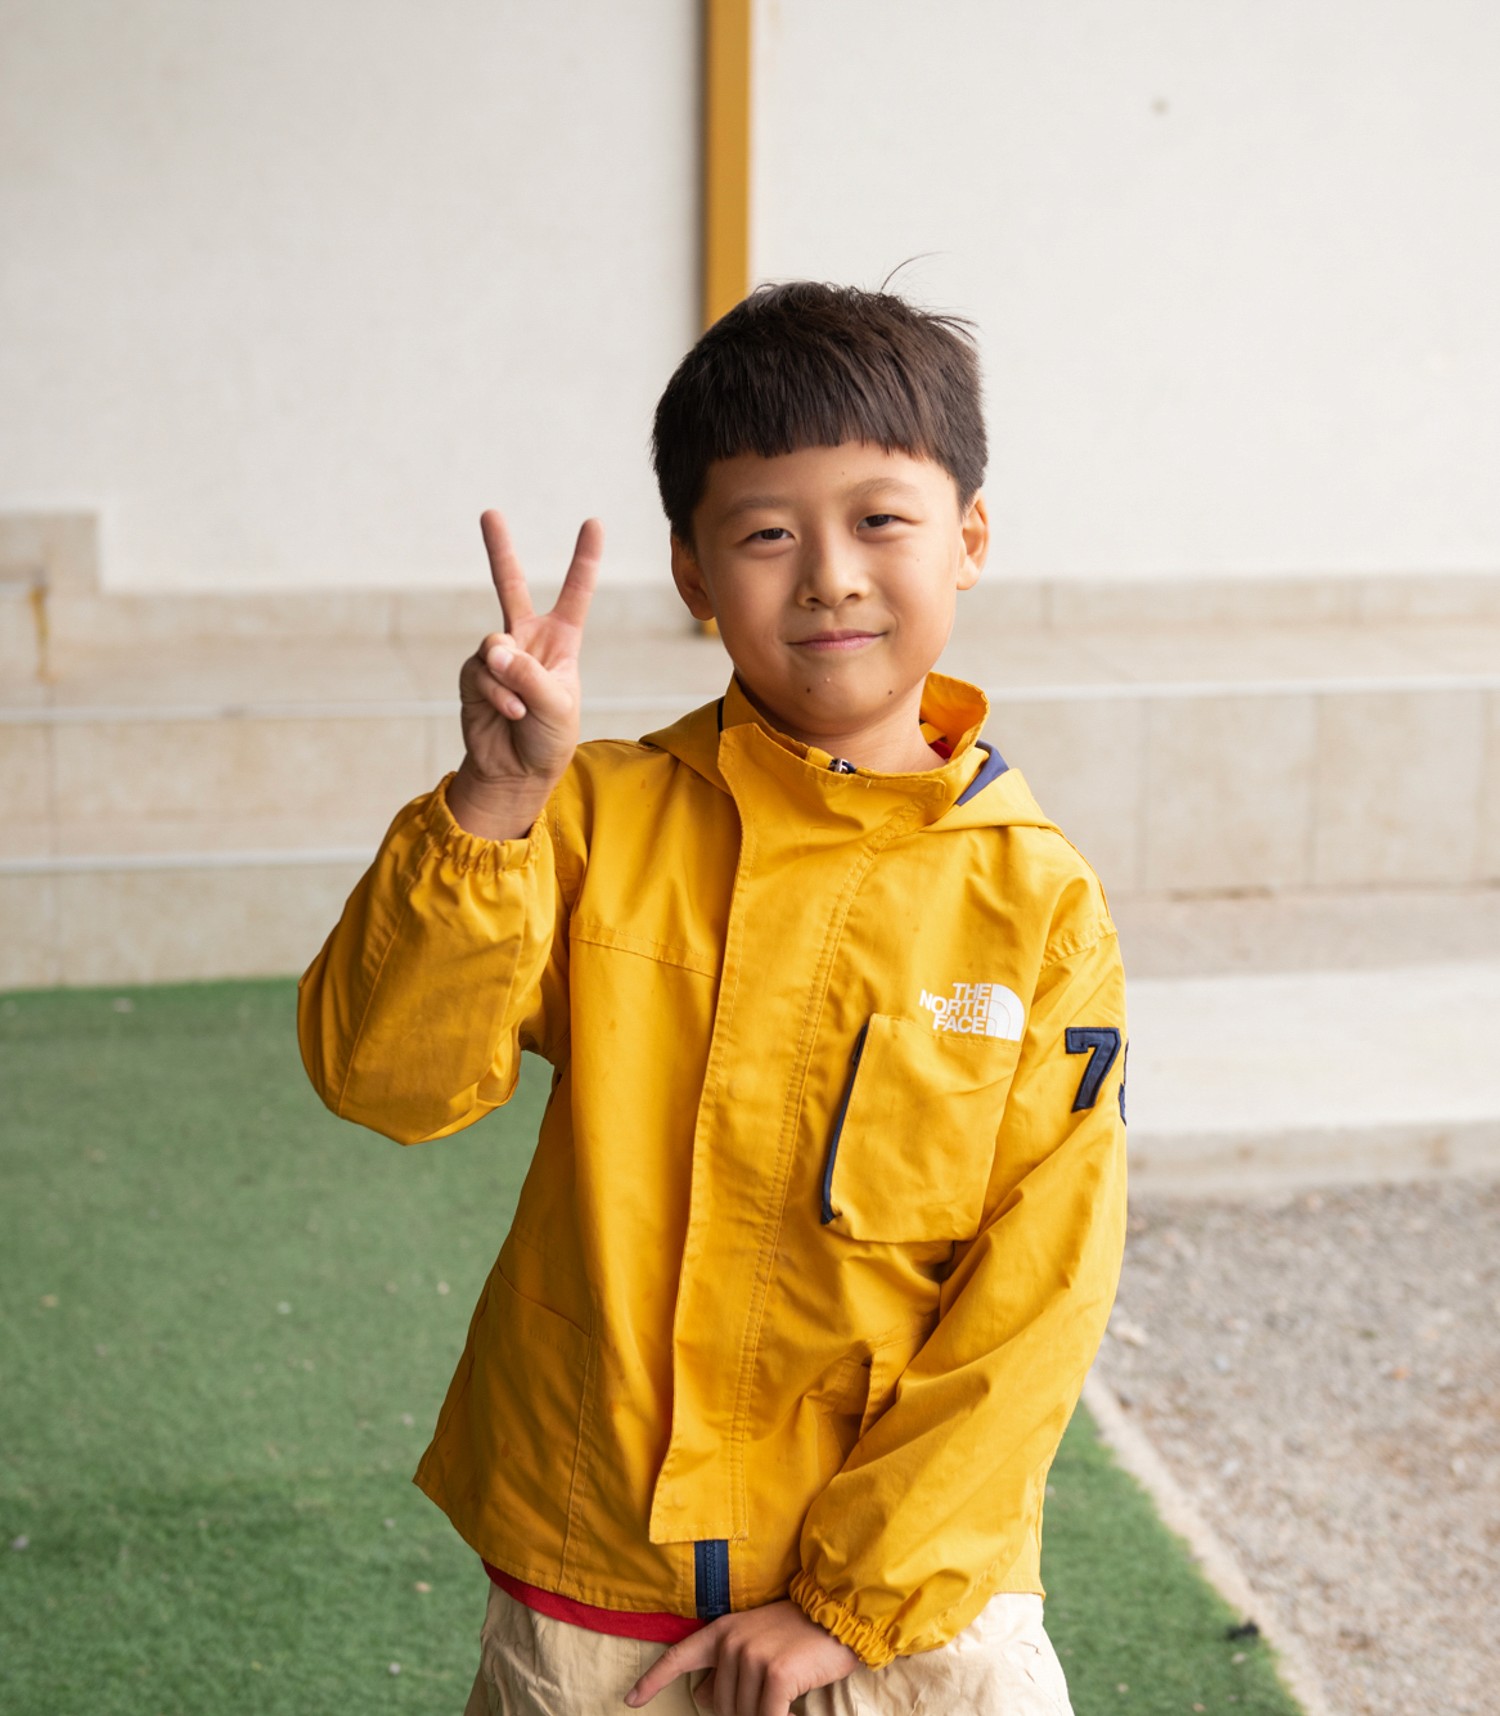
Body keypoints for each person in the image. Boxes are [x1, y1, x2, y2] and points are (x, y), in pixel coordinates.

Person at [297, 281, 1127, 1716]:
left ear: (970, 539)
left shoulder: (1034, 899)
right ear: (691, 576)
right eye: (765, 533)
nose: (829, 576)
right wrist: (495, 797)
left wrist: (850, 1607)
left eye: (880, 519)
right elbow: (387, 1080)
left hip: (916, 1613)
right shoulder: (592, 817)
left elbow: (1038, 1295)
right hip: (597, 1582)